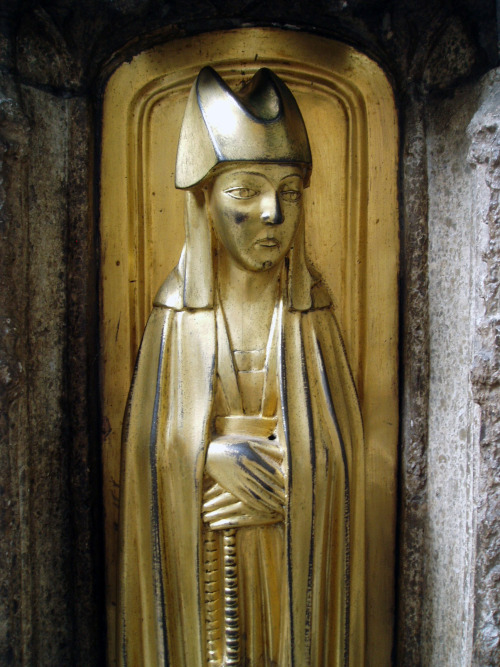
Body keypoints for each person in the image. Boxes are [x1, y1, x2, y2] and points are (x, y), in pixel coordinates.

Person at [117, 66, 365, 666]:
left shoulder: (312, 316)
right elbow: (146, 457)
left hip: (292, 568)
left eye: (289, 191)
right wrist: (207, 460)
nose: (273, 213)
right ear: (203, 198)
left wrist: (293, 485)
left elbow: (348, 455)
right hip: (204, 563)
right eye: (245, 190)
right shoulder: (177, 316)